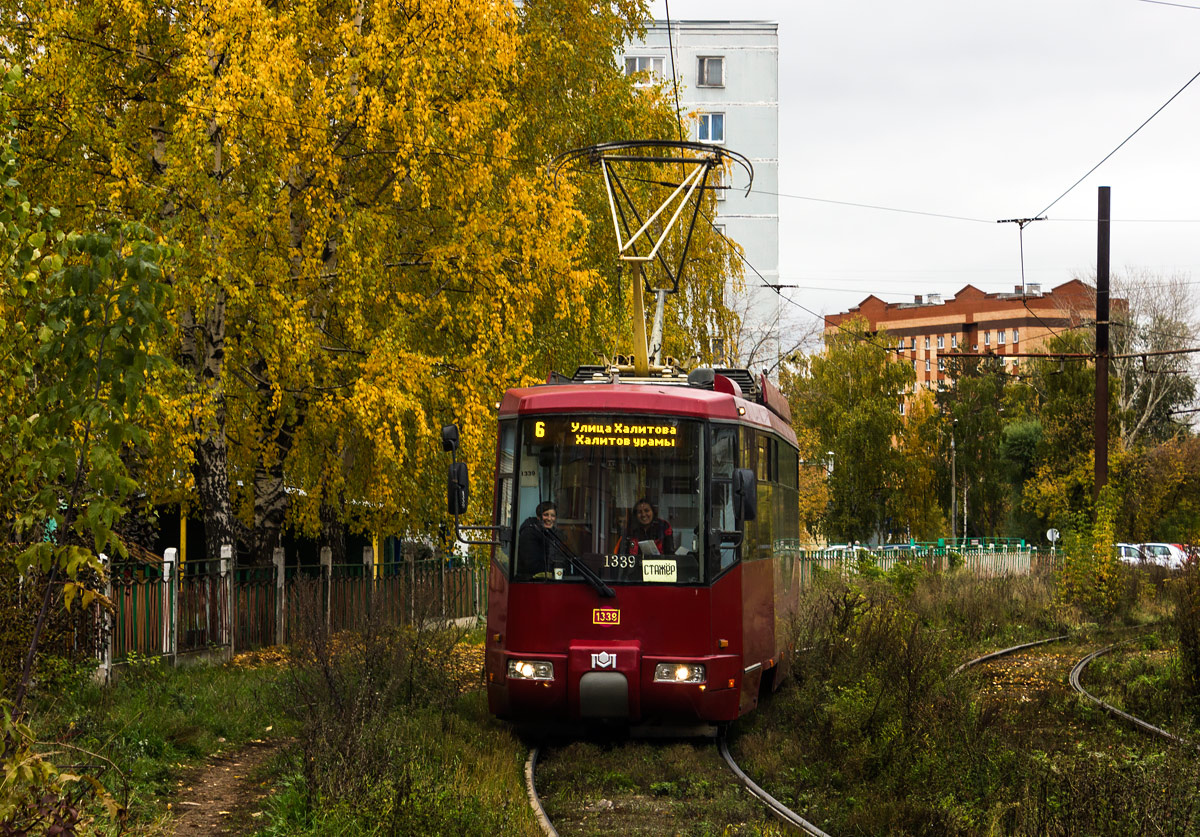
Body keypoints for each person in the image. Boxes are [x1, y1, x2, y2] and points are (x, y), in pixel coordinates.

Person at [517, 500, 567, 577]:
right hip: (531, 580)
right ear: (538, 517)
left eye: (553, 516)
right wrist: (553, 570)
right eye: (546, 515)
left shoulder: (554, 534)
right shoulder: (529, 533)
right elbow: (531, 565)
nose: (549, 519)